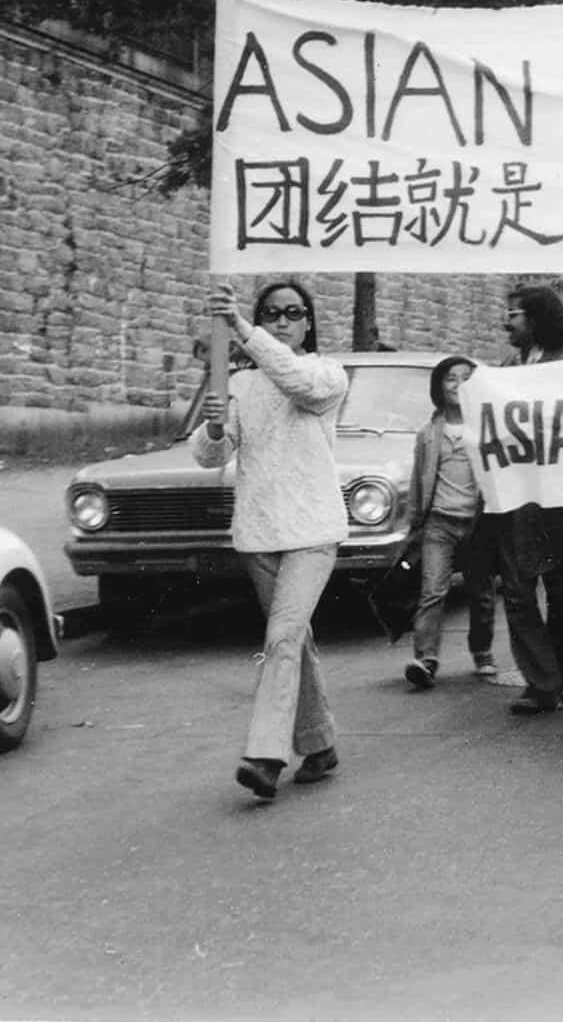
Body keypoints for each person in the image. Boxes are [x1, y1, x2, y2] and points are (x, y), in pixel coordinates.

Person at [194, 280, 348, 801]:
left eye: (292, 313)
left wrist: (241, 327)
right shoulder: (240, 385)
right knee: (293, 641)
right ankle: (319, 742)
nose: (282, 321)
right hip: (261, 530)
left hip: (312, 531)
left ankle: (265, 754)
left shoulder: (326, 375)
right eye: (271, 313)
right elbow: (212, 457)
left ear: (308, 322)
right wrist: (214, 429)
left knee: (281, 639)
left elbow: (293, 380)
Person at [485, 286, 563, 714]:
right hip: (517, 497)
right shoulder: (507, 370)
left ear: (536, 319)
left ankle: (559, 670)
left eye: (514, 314)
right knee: (517, 591)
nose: (506, 322)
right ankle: (541, 679)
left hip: (562, 498)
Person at [398, 356, 490, 690]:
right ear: (439, 387)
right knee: (433, 591)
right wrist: (414, 525)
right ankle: (425, 659)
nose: (458, 385)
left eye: (466, 378)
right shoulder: (428, 434)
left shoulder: (485, 428)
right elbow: (418, 481)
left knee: (482, 594)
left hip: (478, 523)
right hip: (439, 522)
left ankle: (482, 652)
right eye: (450, 379)